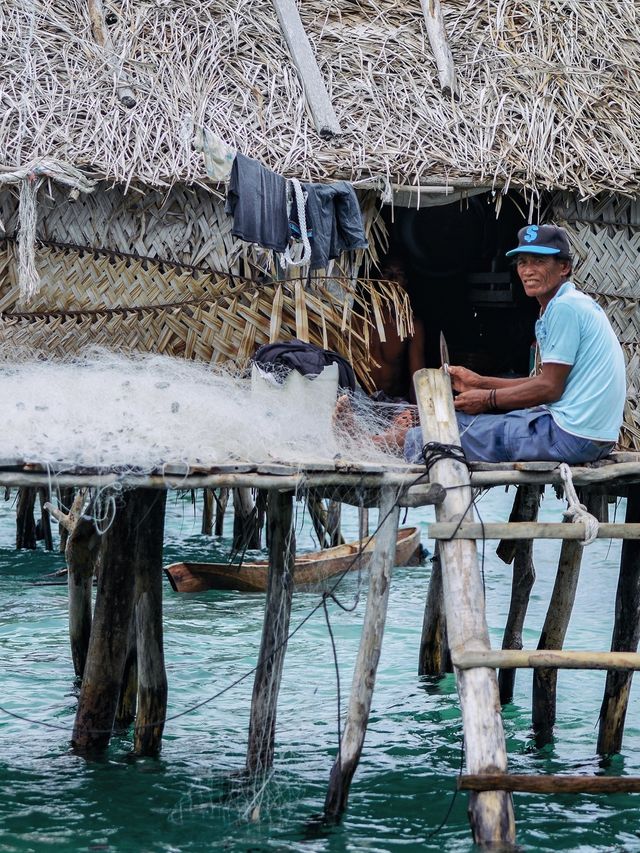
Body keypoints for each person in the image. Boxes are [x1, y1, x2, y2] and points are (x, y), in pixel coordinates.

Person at [400, 223, 626, 464]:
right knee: (456, 422)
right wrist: (480, 382)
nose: (528, 271)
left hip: (568, 437)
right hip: (588, 437)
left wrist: (487, 399)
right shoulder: (568, 303)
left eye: (539, 261)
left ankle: (377, 456)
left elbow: (549, 389)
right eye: (522, 262)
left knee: (424, 436)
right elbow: (545, 382)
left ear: (564, 267)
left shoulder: (564, 308)